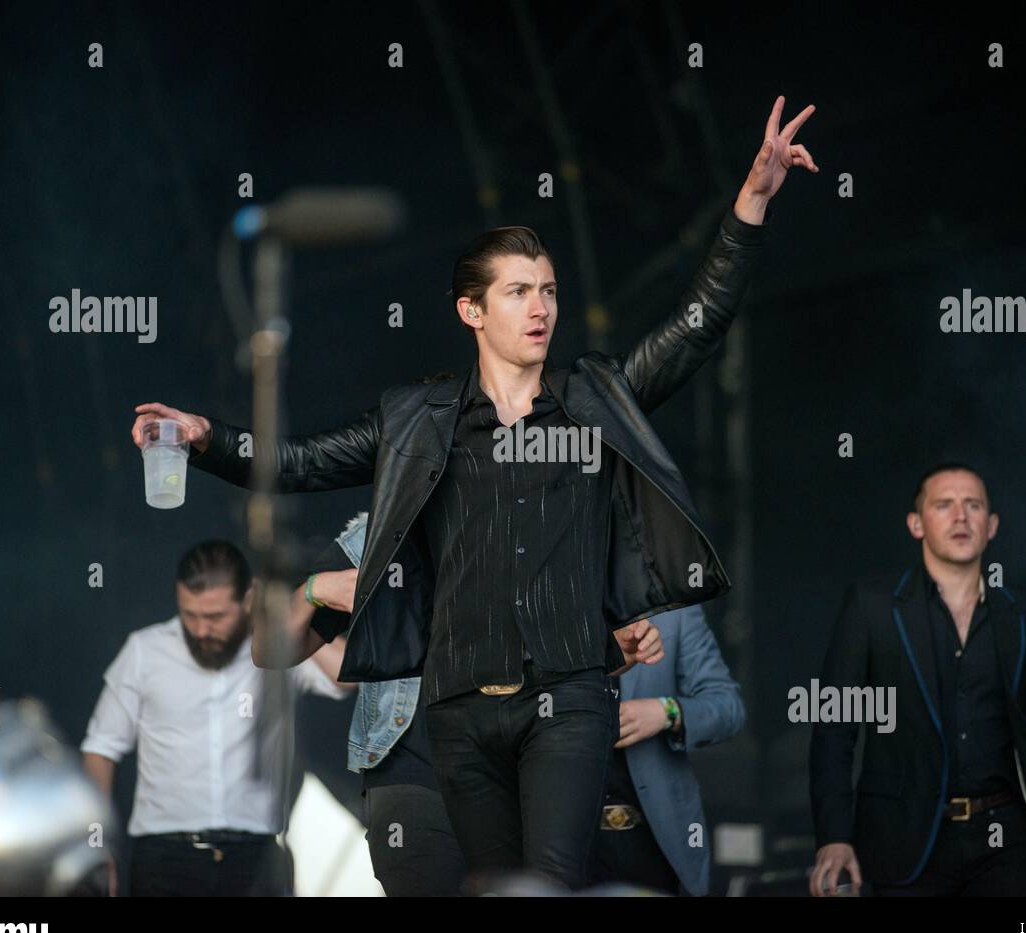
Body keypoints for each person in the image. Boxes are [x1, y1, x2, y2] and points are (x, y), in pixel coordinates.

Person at [130, 94, 817, 888]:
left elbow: (695, 328)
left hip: (566, 699)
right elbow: (297, 462)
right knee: (492, 888)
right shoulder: (419, 419)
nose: (541, 307)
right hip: (459, 706)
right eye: (520, 291)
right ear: (471, 310)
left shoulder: (591, 398)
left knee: (549, 884)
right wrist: (207, 437)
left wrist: (752, 202)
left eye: (550, 290)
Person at [286, 511, 663, 895]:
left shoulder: (552, 523)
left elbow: (561, 659)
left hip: (516, 774)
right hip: (415, 775)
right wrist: (313, 589)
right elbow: (273, 650)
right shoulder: (383, 527)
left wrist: (610, 655)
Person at [808, 464, 1026, 897]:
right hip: (904, 842)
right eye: (944, 505)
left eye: (973, 505)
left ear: (991, 525)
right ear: (916, 524)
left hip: (1007, 844)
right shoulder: (872, 606)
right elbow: (834, 731)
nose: (960, 516)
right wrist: (834, 836)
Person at [80, 540, 347, 896]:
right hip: (165, 857)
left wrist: (281, 619)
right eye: (191, 615)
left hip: (258, 857)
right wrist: (95, 846)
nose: (202, 630)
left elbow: (347, 675)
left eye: (216, 617)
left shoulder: (278, 651)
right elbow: (100, 749)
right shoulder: (145, 651)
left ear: (248, 599)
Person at [589, 604, 745, 895]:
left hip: (654, 838)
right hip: (562, 837)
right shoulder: (542, 599)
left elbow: (728, 707)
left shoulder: (674, 609)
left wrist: (665, 712)